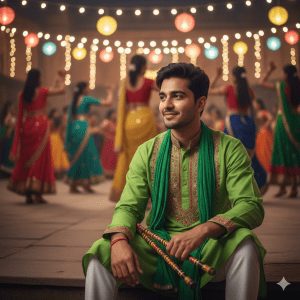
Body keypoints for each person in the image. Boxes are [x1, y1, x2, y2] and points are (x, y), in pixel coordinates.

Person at [83, 63, 266, 300]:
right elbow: (128, 206)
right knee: (102, 251)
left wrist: (204, 230)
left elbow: (251, 205)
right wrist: (118, 240)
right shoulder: (147, 151)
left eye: (177, 96)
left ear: (200, 103)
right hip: (159, 247)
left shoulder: (229, 149)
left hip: (211, 246)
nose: (166, 105)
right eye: (162, 97)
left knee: (245, 244)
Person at [7, 69, 65, 204]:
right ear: (38, 78)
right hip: (41, 129)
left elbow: (20, 115)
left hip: (27, 128)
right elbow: (61, 90)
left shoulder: (22, 94)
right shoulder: (43, 92)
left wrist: (19, 136)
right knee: (40, 159)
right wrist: (61, 78)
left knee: (27, 159)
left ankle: (27, 191)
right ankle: (37, 192)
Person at [210, 66, 267, 191]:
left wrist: (217, 76)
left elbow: (210, 90)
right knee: (249, 155)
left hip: (234, 123)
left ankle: (234, 187)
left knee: (230, 154)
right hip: (248, 123)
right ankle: (257, 183)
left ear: (234, 76)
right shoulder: (249, 91)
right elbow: (251, 106)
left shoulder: (228, 89)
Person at [109, 54, 158, 202]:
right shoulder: (149, 82)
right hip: (145, 120)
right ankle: (148, 197)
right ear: (143, 67)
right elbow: (164, 90)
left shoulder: (125, 83)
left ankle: (130, 194)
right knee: (147, 158)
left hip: (129, 123)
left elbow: (121, 105)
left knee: (130, 159)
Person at [260, 62, 300, 198]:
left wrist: (270, 70)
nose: (281, 75)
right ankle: (293, 187)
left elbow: (262, 82)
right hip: (296, 123)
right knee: (294, 153)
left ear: (286, 74)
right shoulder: (297, 86)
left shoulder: (281, 86)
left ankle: (283, 186)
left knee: (282, 152)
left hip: (283, 123)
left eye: (283, 72)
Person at [65, 81, 112, 194]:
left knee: (78, 156)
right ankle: (85, 183)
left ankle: (75, 184)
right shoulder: (86, 99)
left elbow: (69, 119)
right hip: (83, 128)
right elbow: (107, 103)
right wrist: (110, 91)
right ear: (84, 89)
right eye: (87, 87)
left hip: (74, 128)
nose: (89, 89)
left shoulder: (73, 101)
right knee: (89, 155)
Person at [254, 99, 274, 174]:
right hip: (260, 134)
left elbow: (271, 118)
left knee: (266, 151)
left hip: (265, 134)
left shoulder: (264, 112)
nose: (254, 105)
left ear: (259, 104)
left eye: (255, 104)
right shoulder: (257, 113)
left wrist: (266, 126)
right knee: (260, 152)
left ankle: (269, 170)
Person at [100, 109, 117, 178]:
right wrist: (107, 136)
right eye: (114, 114)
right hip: (108, 143)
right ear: (110, 115)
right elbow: (100, 130)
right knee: (108, 158)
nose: (115, 115)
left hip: (115, 143)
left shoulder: (117, 123)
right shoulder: (106, 122)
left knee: (114, 158)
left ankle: (114, 173)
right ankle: (107, 174)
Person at [0, 101, 16, 175]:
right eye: (10, 108)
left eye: (13, 108)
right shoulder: (5, 119)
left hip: (13, 140)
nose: (12, 110)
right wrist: (8, 126)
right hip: (6, 141)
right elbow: (4, 132)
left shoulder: (15, 118)